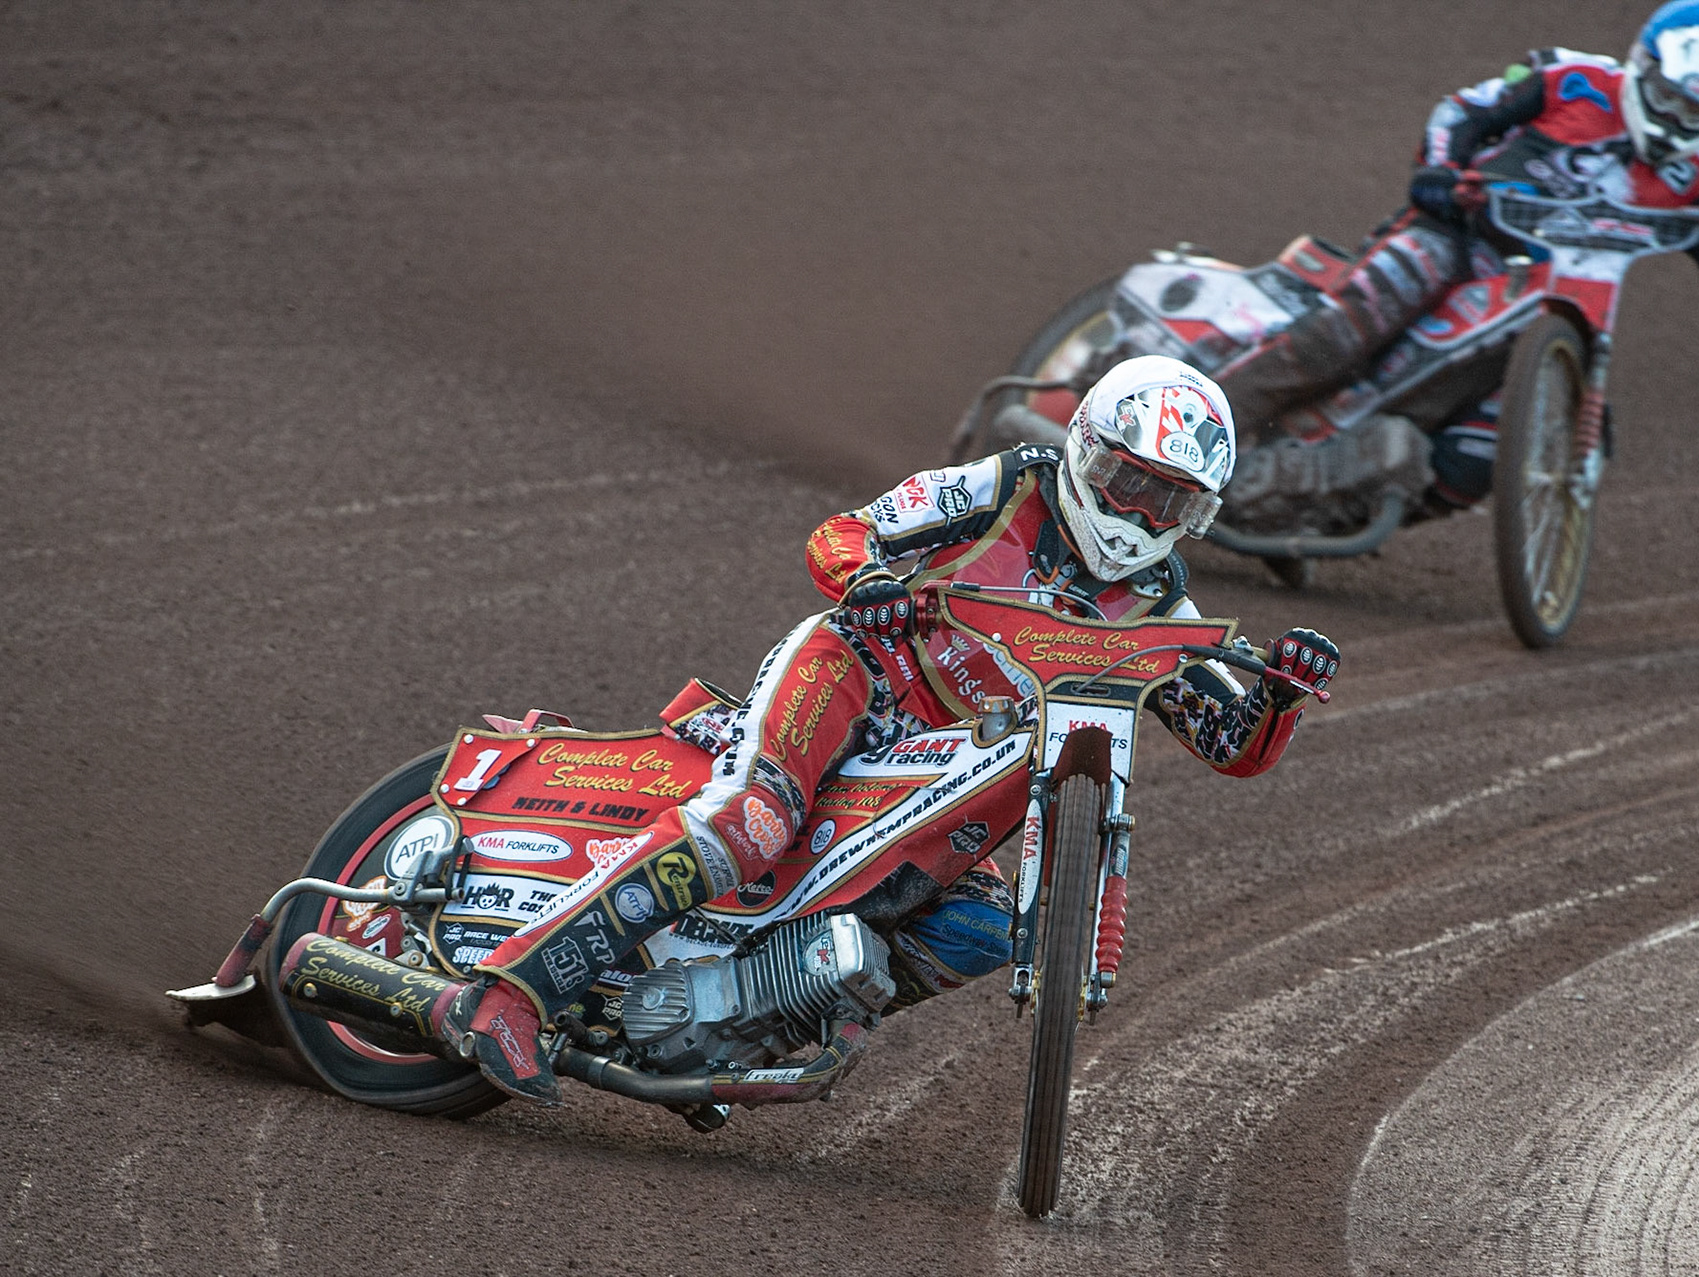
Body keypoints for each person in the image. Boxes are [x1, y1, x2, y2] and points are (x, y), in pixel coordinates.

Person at [434, 356, 1341, 1102]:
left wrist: (1282, 693)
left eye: (1171, 503)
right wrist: (868, 580)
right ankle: (509, 993)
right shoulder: (1006, 484)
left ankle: (755, 1014)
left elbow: (1232, 745)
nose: (1141, 516)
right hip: (854, 676)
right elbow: (846, 532)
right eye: (1131, 483)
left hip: (944, 764)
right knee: (751, 821)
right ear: (1087, 448)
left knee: (983, 927)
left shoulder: (1159, 608)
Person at [1217, 0, 1699, 513]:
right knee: (1353, 321)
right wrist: (1439, 172)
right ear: (1643, 65)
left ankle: (1324, 510)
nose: (1672, 121)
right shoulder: (1572, 79)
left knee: (1482, 455)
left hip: (1556, 308)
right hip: (1460, 238)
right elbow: (1464, 111)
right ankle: (1201, 433)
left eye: (1695, 114)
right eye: (1666, 97)